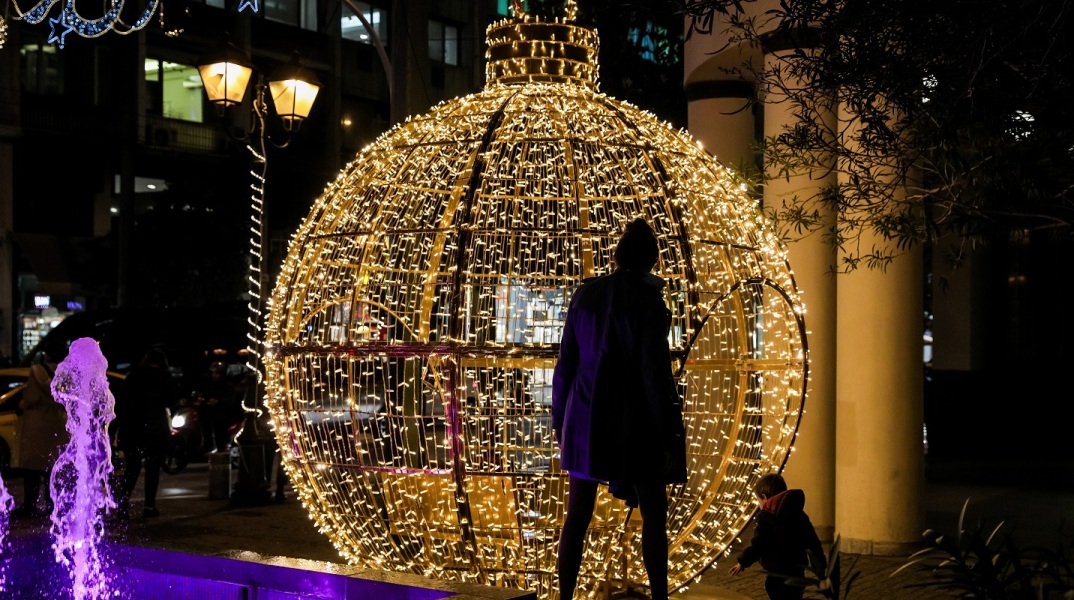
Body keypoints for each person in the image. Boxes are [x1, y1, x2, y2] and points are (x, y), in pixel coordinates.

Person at [552, 218, 687, 600]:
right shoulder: (649, 302)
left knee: (577, 516)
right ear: (651, 260)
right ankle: (659, 595)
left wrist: (560, 420)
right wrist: (667, 433)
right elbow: (653, 373)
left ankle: (565, 596)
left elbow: (566, 364)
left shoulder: (585, 295)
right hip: (636, 421)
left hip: (584, 419)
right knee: (654, 514)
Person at [728, 473, 826, 600]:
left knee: (776, 592)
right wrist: (820, 566)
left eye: (758, 500)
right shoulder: (798, 513)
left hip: (777, 571)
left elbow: (758, 544)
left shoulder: (766, 517)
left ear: (764, 497)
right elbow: (812, 541)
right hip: (797, 570)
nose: (759, 505)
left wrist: (742, 562)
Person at [114, 347, 177, 518]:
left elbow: (121, 404)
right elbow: (171, 402)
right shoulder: (165, 378)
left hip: (133, 428)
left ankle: (123, 502)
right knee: (153, 467)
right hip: (155, 428)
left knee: (132, 467)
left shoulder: (133, 376)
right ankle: (149, 506)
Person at [12, 339, 69, 519]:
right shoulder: (66, 373)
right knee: (53, 467)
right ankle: (52, 504)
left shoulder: (36, 371)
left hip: (37, 422)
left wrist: (21, 404)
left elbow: (31, 397)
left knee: (33, 468)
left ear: (47, 353)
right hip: (57, 421)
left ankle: (30, 505)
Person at [199, 361, 241, 454]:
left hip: (224, 415)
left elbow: (230, 401)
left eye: (217, 373)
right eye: (213, 373)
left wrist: (218, 401)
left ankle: (220, 446)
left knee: (219, 428)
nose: (214, 375)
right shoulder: (209, 385)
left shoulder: (228, 386)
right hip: (210, 414)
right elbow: (203, 397)